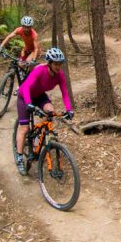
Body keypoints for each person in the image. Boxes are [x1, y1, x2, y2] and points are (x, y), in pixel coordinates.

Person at [14, 47, 74, 175]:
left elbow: (65, 93)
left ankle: (37, 137)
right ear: (49, 63)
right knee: (24, 129)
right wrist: (29, 104)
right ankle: (19, 157)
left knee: (50, 111)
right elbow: (27, 87)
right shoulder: (39, 70)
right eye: (56, 64)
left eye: (60, 64)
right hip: (25, 96)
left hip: (40, 95)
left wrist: (69, 110)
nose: (58, 67)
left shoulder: (60, 75)